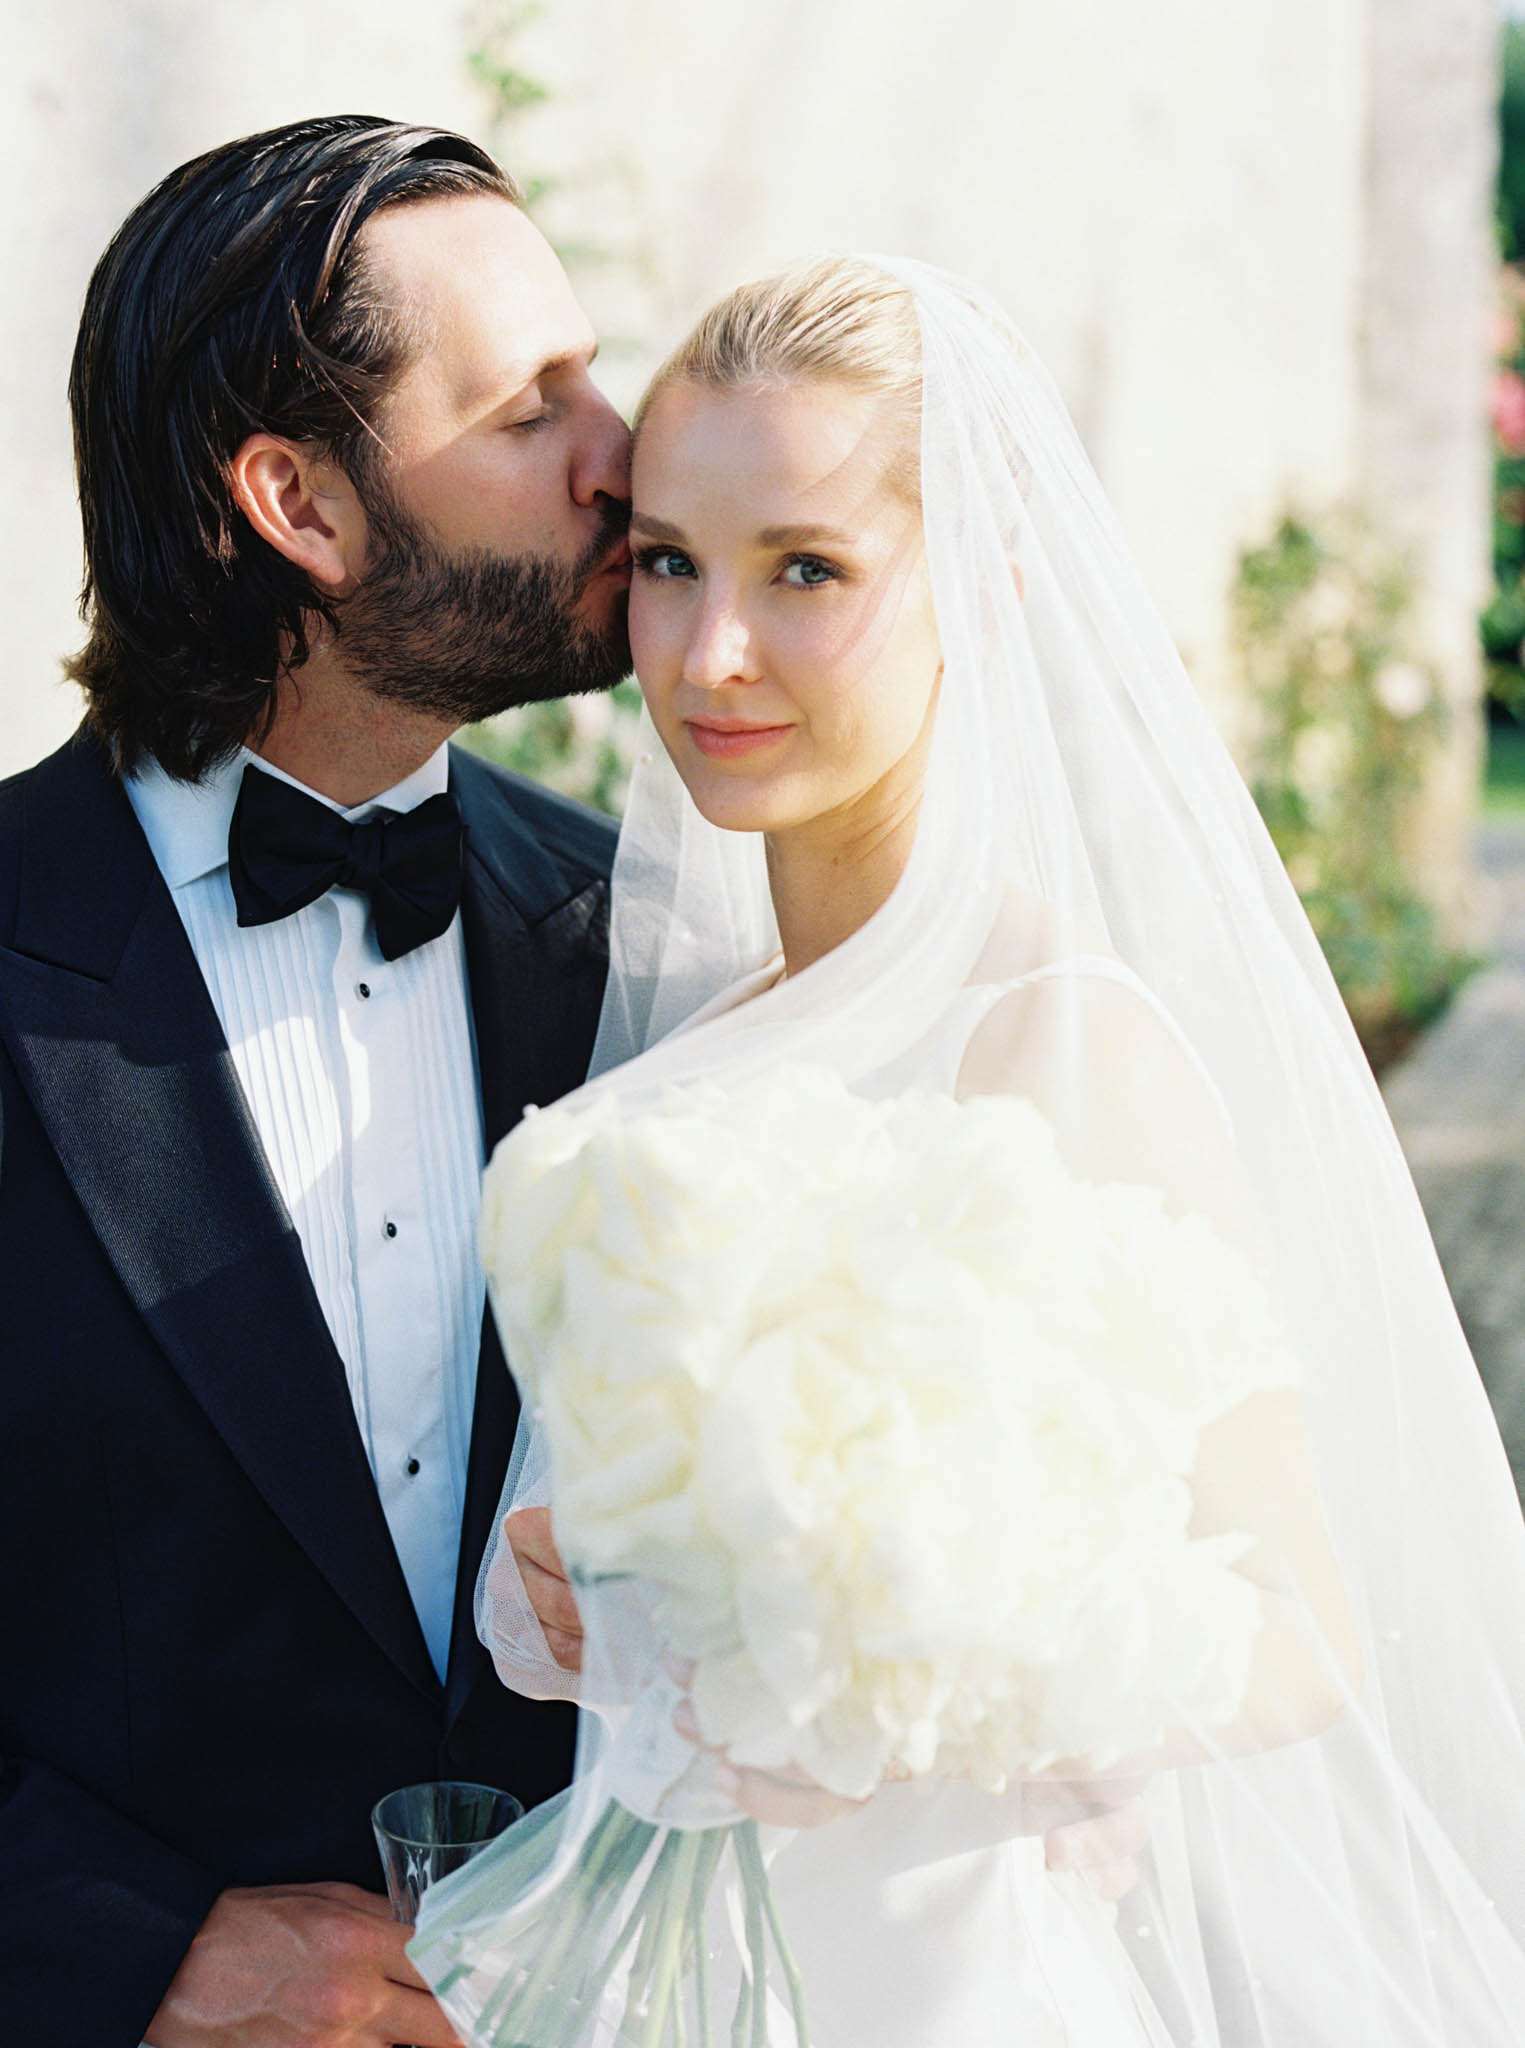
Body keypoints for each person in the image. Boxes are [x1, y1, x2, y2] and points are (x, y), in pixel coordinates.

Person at [418, 259, 1525, 2045]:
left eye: (808, 572)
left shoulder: (1054, 1033)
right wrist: (579, 1588)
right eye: (675, 563)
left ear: (980, 591)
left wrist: (906, 1650)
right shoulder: (678, 1041)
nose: (708, 657)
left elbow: (1296, 1631)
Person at [0, 117, 631, 2048]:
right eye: (535, 409)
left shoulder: (631, 942)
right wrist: (130, 1945)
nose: (622, 448)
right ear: (301, 501)